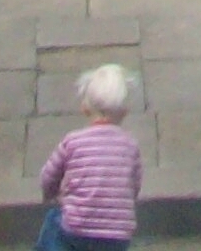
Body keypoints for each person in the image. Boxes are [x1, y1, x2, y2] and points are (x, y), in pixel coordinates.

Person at [37, 65, 142, 251]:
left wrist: (50, 194)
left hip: (77, 225)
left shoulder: (72, 141)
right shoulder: (130, 146)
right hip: (118, 234)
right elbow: (134, 184)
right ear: (124, 113)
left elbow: (49, 175)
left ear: (85, 109)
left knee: (54, 219)